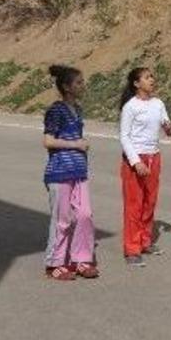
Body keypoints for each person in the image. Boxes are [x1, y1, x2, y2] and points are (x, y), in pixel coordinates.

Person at [41, 64, 99, 281]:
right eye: (78, 82)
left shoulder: (79, 109)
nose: (83, 86)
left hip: (79, 171)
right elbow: (47, 141)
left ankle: (81, 260)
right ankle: (54, 263)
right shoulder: (55, 110)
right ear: (66, 87)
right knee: (62, 219)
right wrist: (76, 144)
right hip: (59, 172)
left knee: (85, 215)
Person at [119, 67, 171, 267]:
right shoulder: (130, 107)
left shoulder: (158, 103)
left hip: (154, 157)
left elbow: (167, 127)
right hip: (135, 159)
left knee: (149, 202)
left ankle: (145, 240)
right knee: (134, 205)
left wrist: (168, 128)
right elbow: (124, 136)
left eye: (152, 76)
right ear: (136, 83)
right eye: (147, 77)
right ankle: (132, 249)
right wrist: (136, 161)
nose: (152, 79)